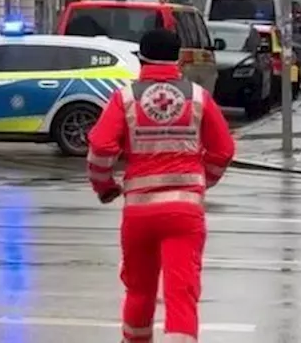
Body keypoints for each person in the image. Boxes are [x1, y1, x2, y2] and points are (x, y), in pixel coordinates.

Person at [86, 28, 236, 343]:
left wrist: (105, 187)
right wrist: (200, 182)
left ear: (141, 59)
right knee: (181, 294)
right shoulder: (198, 97)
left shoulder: (125, 98)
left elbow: (100, 148)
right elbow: (223, 150)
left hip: (139, 213)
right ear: (178, 59)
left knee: (139, 291)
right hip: (184, 213)